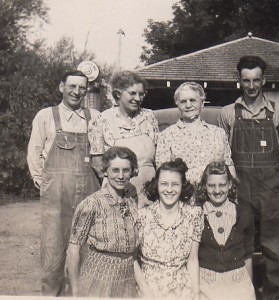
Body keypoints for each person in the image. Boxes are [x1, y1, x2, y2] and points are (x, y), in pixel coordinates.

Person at [218, 56, 279, 299]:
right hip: (239, 186)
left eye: (256, 80)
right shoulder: (228, 113)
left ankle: (278, 295)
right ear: (239, 81)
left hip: (269, 187)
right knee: (240, 243)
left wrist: (274, 173)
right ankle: (242, 294)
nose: (251, 86)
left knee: (276, 247)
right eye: (246, 81)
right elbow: (222, 151)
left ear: (264, 80)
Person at [27, 70, 100, 296]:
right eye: (72, 86)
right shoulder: (46, 116)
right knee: (53, 253)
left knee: (89, 250)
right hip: (56, 194)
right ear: (62, 87)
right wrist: (44, 182)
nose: (76, 92)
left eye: (81, 88)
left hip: (90, 192)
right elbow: (35, 152)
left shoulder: (95, 116)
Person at [66, 146, 139, 298]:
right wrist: (75, 292)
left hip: (127, 280)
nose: (121, 176)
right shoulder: (91, 204)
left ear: (132, 171)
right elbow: (73, 251)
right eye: (115, 170)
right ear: (105, 171)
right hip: (98, 279)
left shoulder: (132, 202)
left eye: (126, 170)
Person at [134, 158, 203, 299]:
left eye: (175, 184)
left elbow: (193, 260)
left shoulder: (194, 215)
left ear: (182, 186)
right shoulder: (141, 216)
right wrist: (146, 292)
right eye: (164, 184)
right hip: (148, 291)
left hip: (183, 291)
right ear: (156, 185)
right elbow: (133, 259)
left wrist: (196, 293)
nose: (169, 190)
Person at [88, 70, 159, 208]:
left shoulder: (150, 117)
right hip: (117, 191)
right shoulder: (101, 120)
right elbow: (98, 164)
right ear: (118, 93)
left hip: (149, 190)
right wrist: (120, 185)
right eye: (132, 93)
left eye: (141, 94)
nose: (137, 98)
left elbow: (158, 155)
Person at [156, 82, 237, 186]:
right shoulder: (166, 136)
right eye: (183, 101)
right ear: (178, 105)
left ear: (202, 103)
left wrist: (233, 192)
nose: (188, 105)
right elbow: (163, 175)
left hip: (215, 196)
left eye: (193, 100)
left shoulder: (218, 133)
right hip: (183, 198)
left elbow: (229, 166)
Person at [196, 161, 256, 300]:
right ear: (204, 186)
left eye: (222, 185)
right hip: (206, 285)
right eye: (211, 185)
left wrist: (249, 290)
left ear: (230, 184)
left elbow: (247, 256)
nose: (217, 190)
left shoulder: (244, 213)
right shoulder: (197, 214)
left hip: (238, 284)